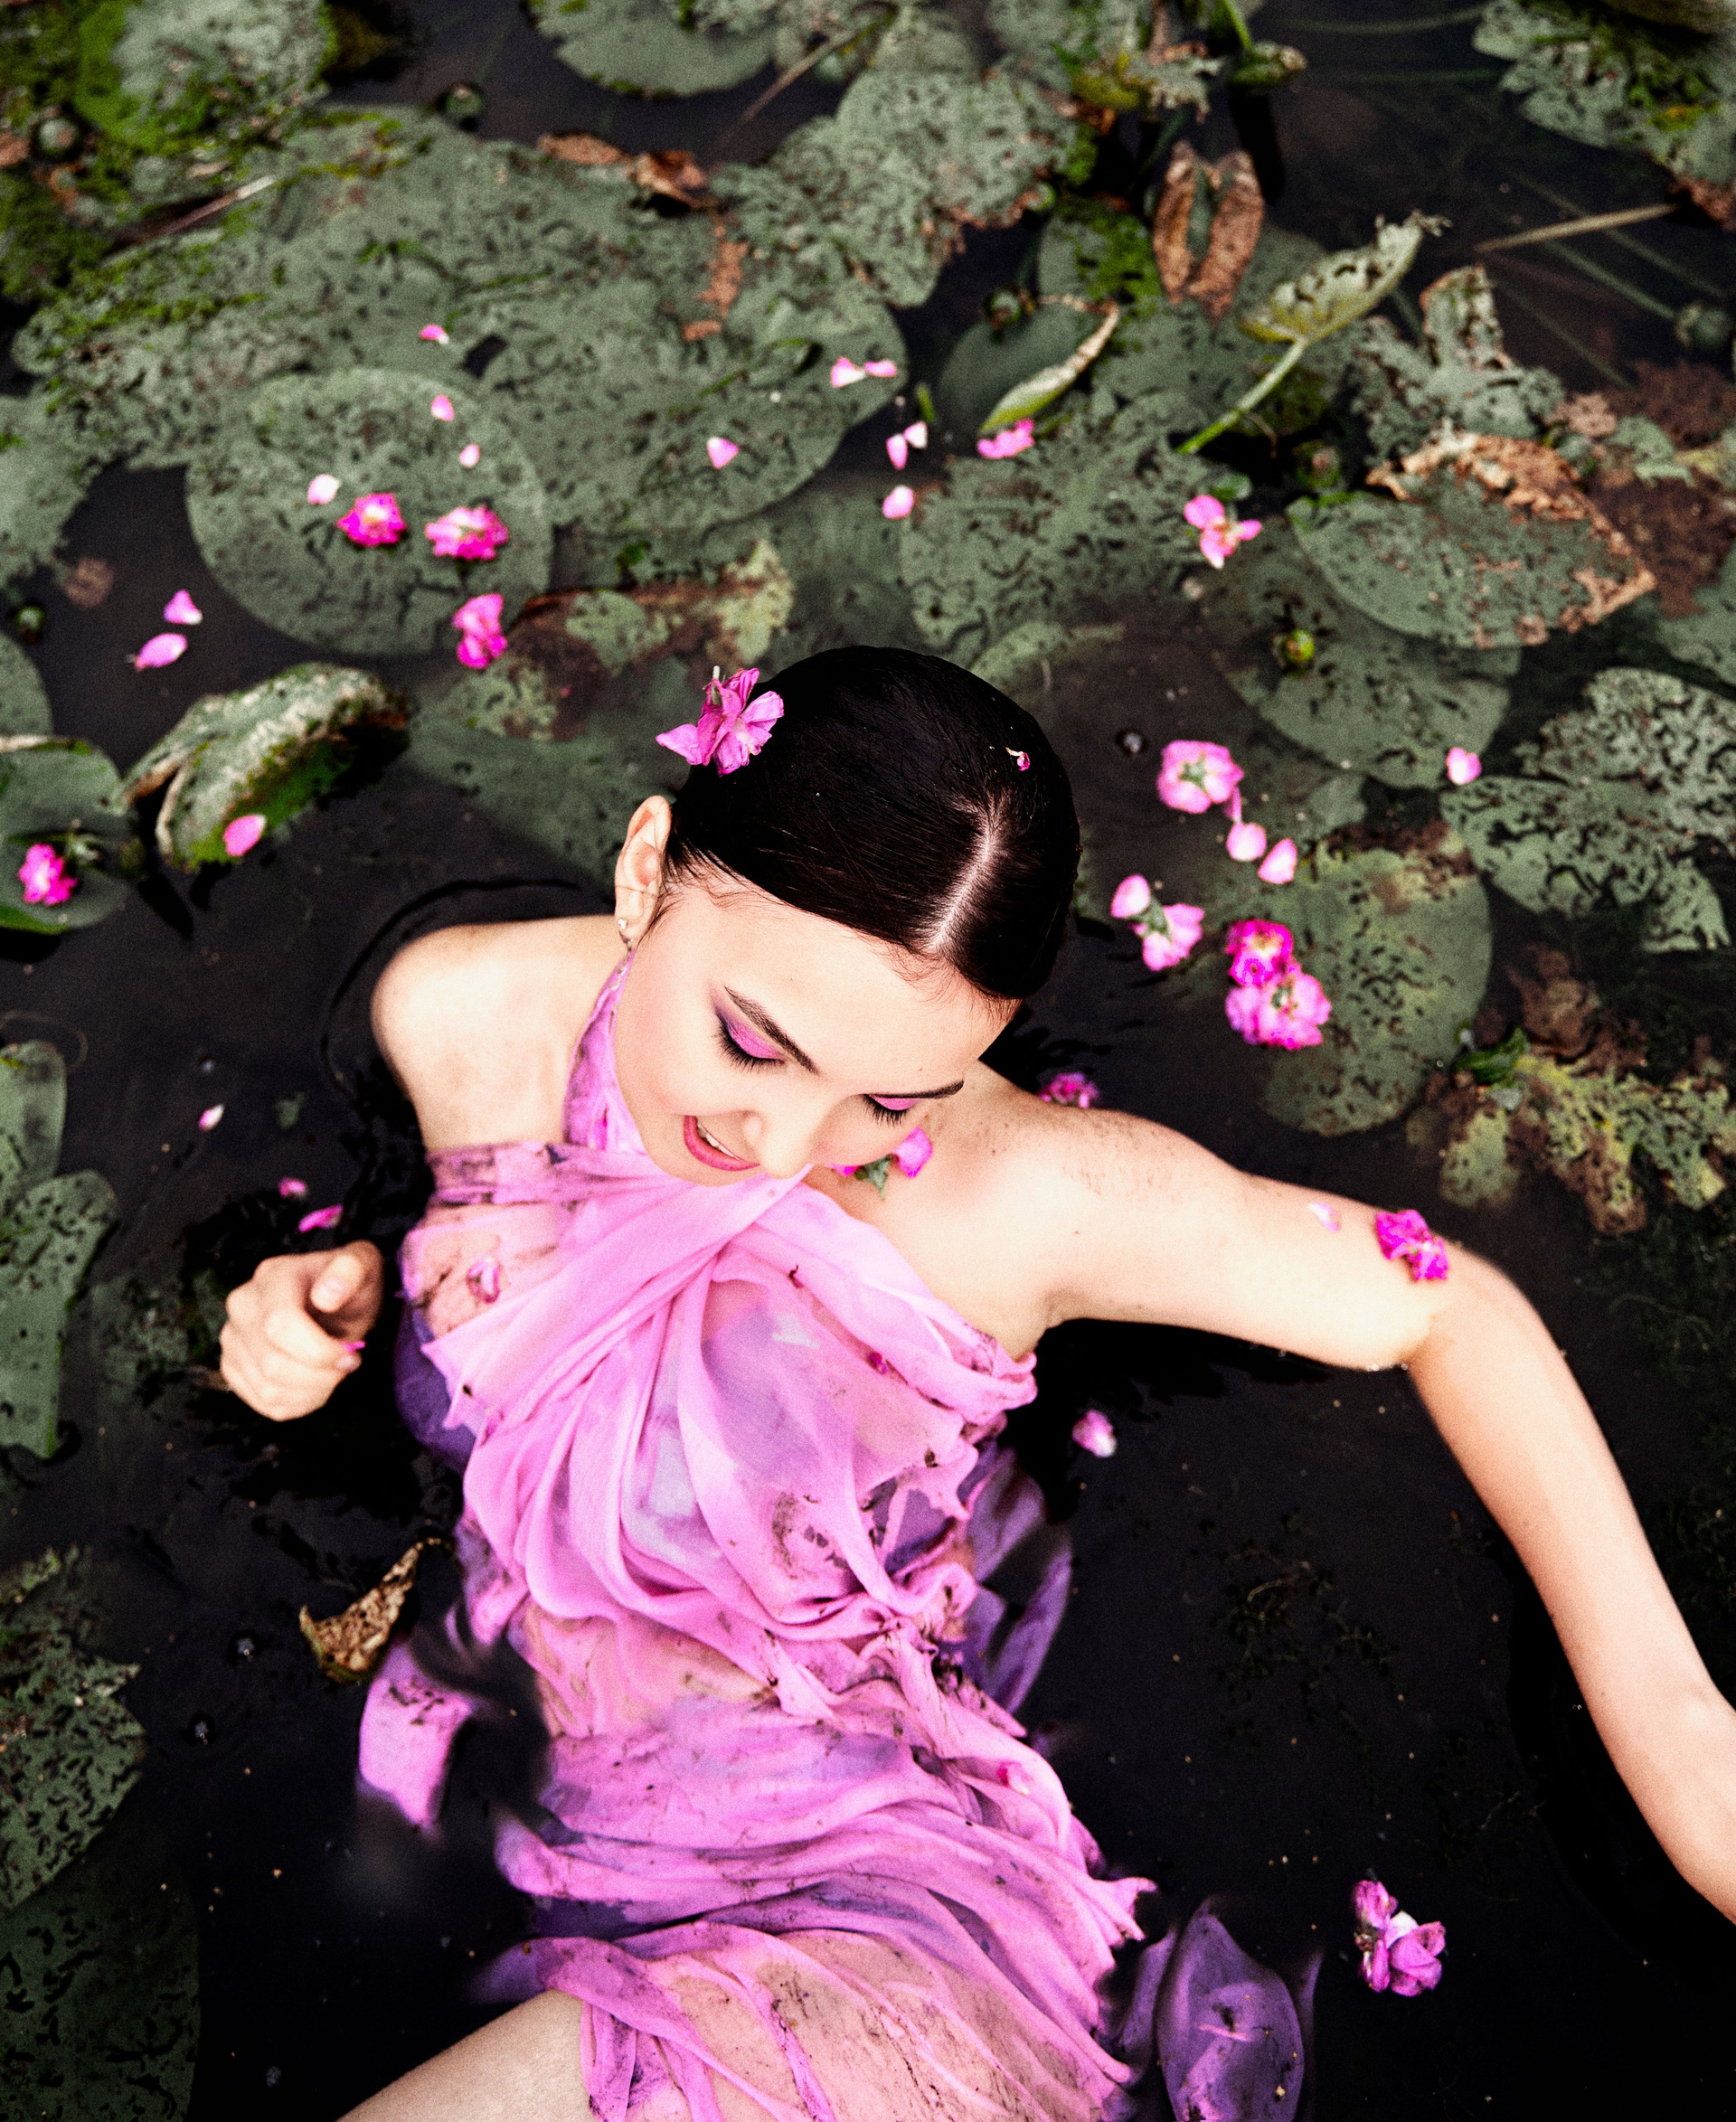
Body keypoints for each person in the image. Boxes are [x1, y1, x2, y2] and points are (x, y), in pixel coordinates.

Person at [221, 647, 1736, 2122]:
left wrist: (1677, 1728)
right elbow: (479, 1280)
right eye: (752, 1041)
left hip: (865, 1930)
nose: (785, 1143)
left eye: (890, 1100)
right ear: (643, 870)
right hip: (550, 1834)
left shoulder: (1009, 1199)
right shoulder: (462, 1023)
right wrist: (333, 1296)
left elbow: (1446, 1306)